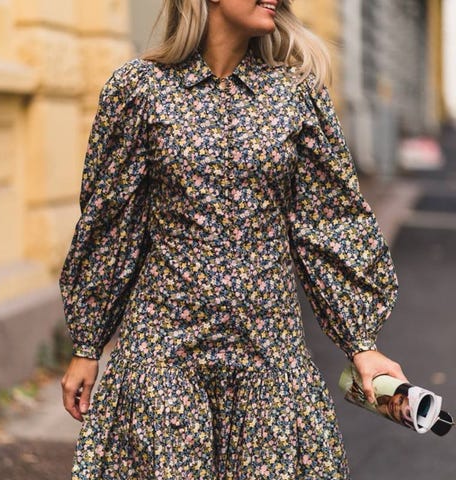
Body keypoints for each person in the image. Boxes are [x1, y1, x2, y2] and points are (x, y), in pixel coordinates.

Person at [59, 0, 409, 478]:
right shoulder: (139, 89)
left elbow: (329, 222)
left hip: (267, 355)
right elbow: (111, 223)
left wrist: (360, 341)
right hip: (164, 353)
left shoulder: (296, 93)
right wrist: (88, 343)